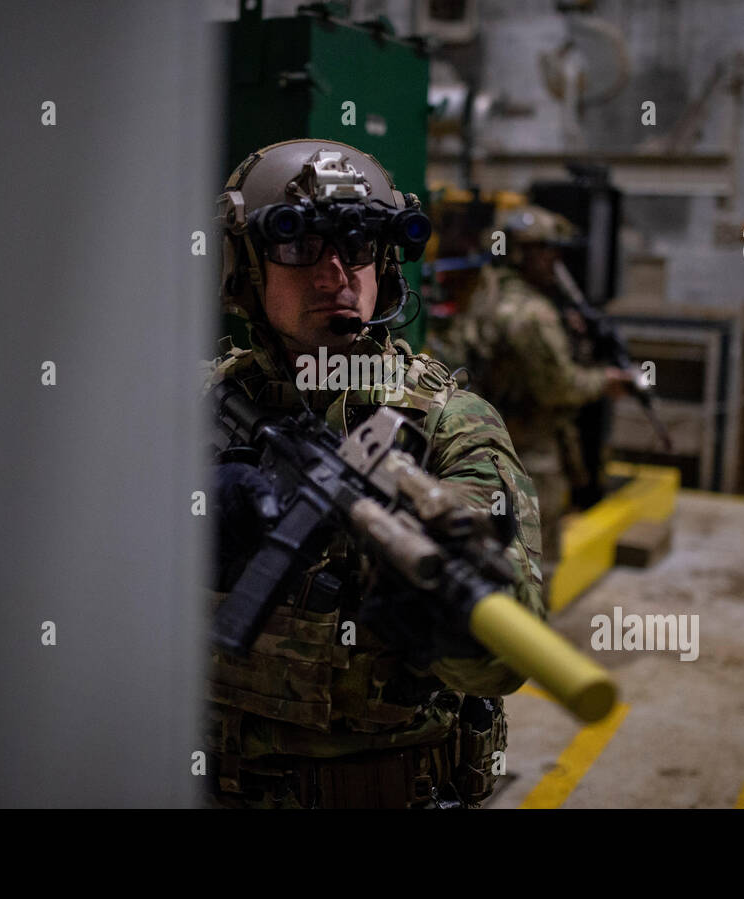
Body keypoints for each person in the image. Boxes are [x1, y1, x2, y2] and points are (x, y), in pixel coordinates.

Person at [203, 139, 545, 808]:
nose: (335, 272)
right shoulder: (193, 405)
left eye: (359, 245)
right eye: (301, 245)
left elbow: (510, 654)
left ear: (385, 264)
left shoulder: (452, 424)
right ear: (245, 266)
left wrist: (435, 606)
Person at [433, 205, 631, 567]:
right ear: (523, 254)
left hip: (484, 448)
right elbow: (560, 387)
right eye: (547, 252)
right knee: (535, 565)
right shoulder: (534, 314)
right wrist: (607, 381)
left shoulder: (486, 294)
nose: (556, 262)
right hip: (530, 459)